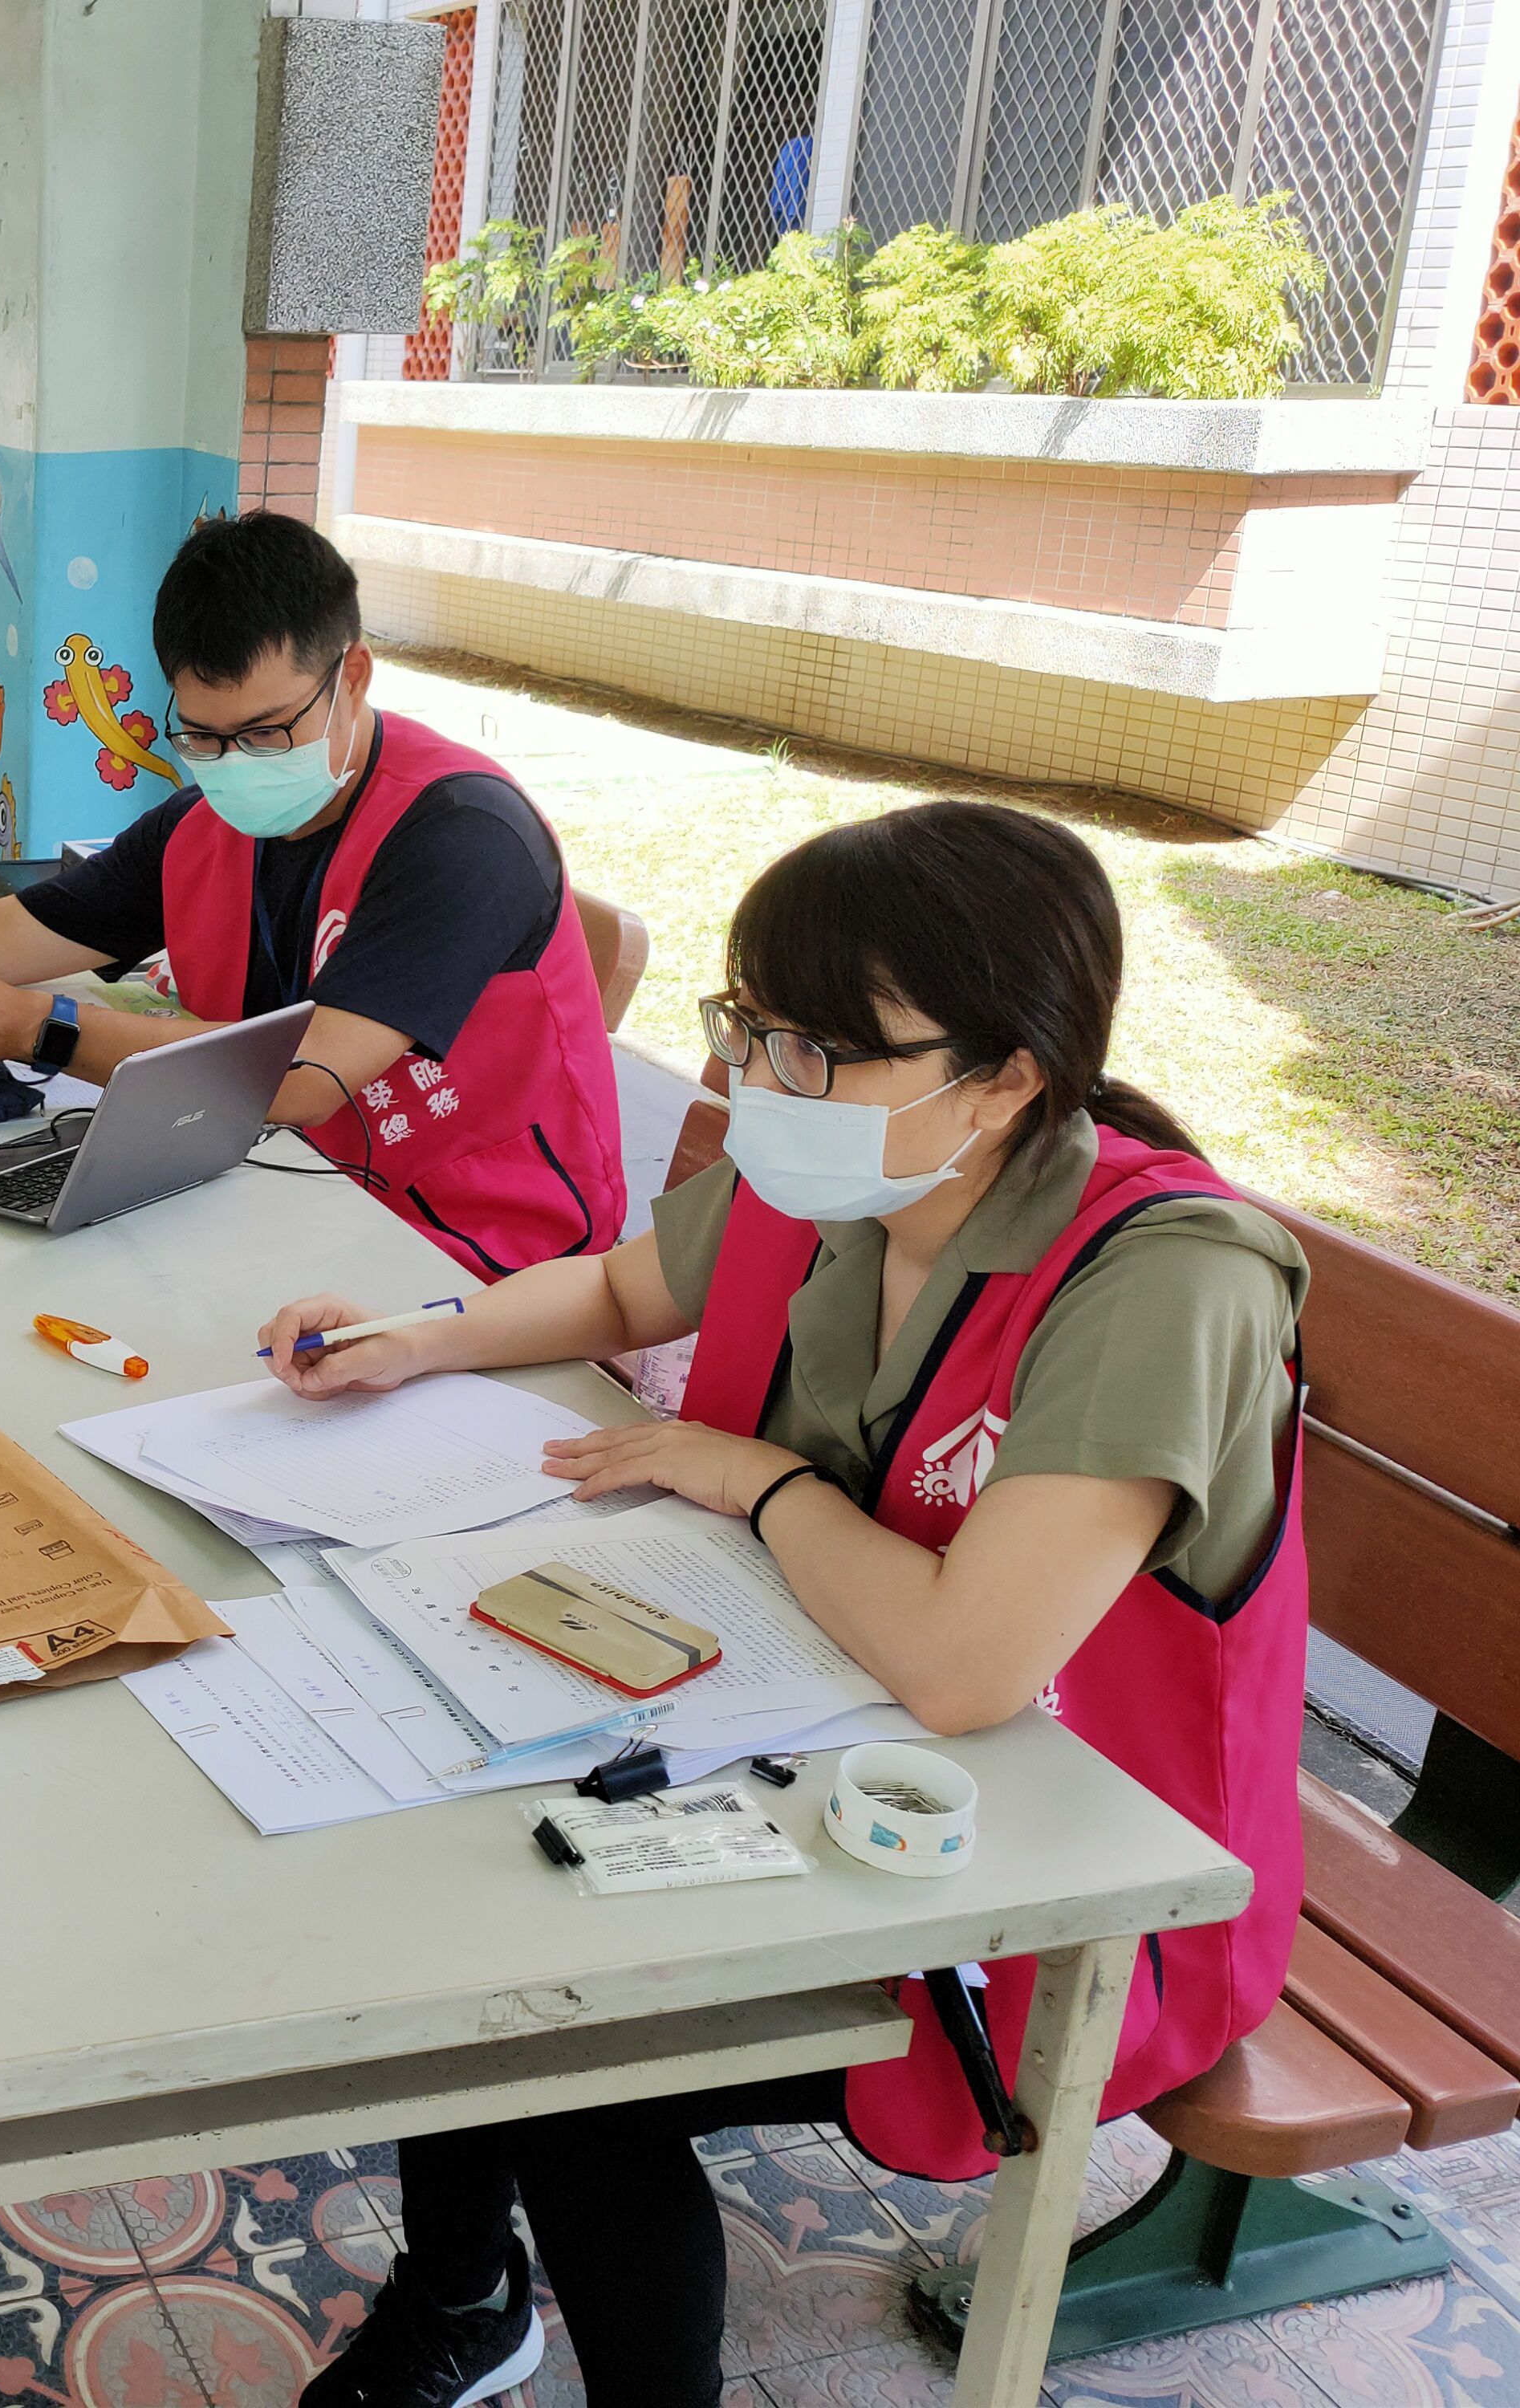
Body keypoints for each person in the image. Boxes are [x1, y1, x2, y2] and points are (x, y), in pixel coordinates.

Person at [260, 802, 1309, 2408]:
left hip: (1069, 1874)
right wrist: (423, 1337)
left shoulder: (1159, 1278)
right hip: (795, 1719)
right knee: (461, 1897)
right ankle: (466, 2301)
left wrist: (746, 1478)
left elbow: (967, 1665)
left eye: (812, 1044)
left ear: (1006, 1076)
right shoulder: (826, 1167)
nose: (754, 1079)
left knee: (580, 2051)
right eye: (744, 1025)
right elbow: (623, 1288)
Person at [0, 510, 625, 1276]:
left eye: (268, 732)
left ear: (353, 675)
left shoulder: (459, 838)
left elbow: (297, 1080)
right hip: (284, 1192)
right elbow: (1, 932)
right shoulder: (215, 822)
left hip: (472, 1248)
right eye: (202, 734)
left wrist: (38, 1031)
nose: (233, 763)